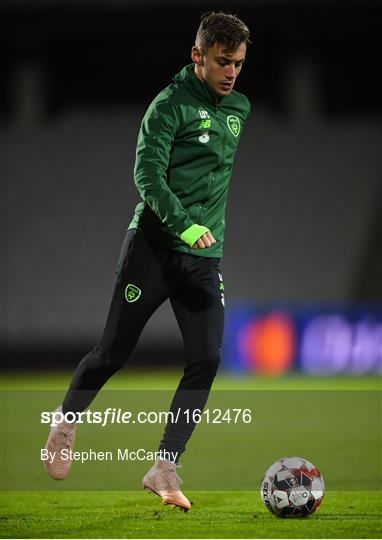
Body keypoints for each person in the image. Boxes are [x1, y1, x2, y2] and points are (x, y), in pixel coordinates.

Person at [42, 11, 251, 511]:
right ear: (197, 55)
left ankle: (163, 466)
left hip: (203, 257)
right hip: (154, 250)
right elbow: (148, 178)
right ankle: (65, 423)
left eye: (239, 64)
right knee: (112, 353)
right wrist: (184, 224)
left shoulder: (238, 107)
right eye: (223, 62)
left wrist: (205, 234)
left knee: (206, 360)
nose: (232, 73)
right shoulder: (167, 107)